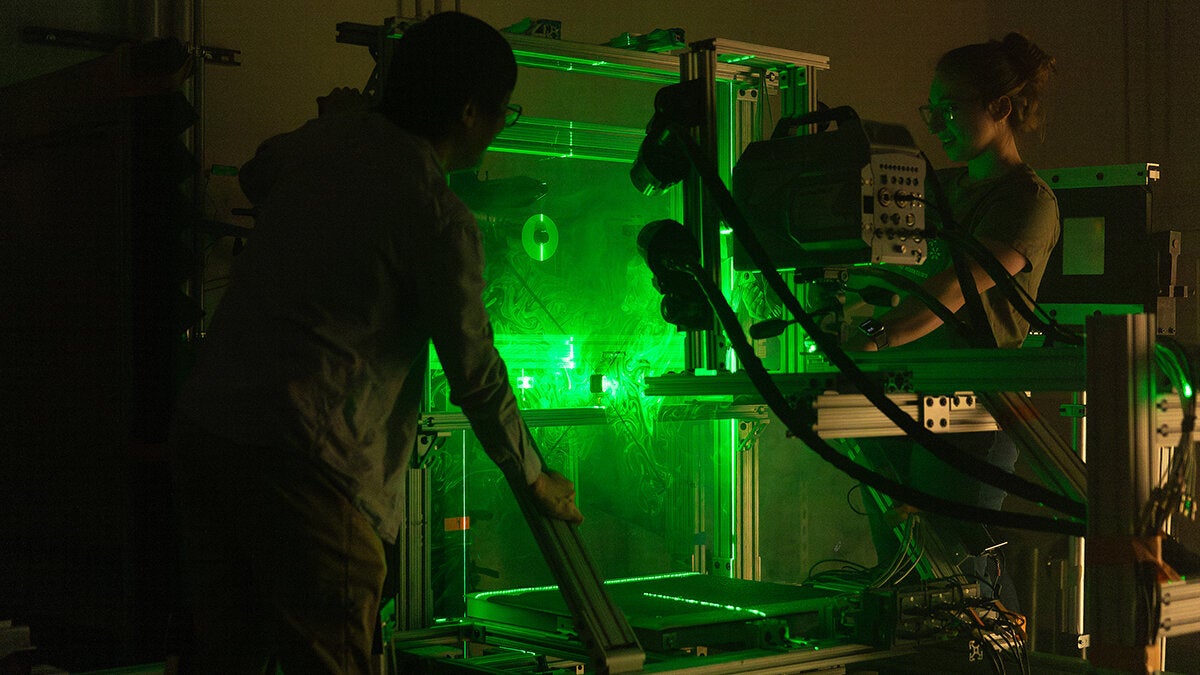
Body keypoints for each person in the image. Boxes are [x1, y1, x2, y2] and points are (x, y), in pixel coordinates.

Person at [168, 12, 582, 673]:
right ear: (471, 112)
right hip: (311, 463)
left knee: (225, 656)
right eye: (505, 113)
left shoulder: (322, 143)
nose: (502, 125)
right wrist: (533, 473)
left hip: (210, 434)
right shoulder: (435, 215)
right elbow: (474, 371)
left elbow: (259, 173)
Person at [844, 33, 1060, 607]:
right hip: (909, 388)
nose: (936, 124)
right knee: (906, 559)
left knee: (957, 564)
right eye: (930, 111)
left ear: (1000, 108)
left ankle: (999, 658)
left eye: (949, 110)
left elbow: (952, 290)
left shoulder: (1027, 201)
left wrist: (874, 336)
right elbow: (896, 274)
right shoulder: (941, 188)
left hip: (974, 404)